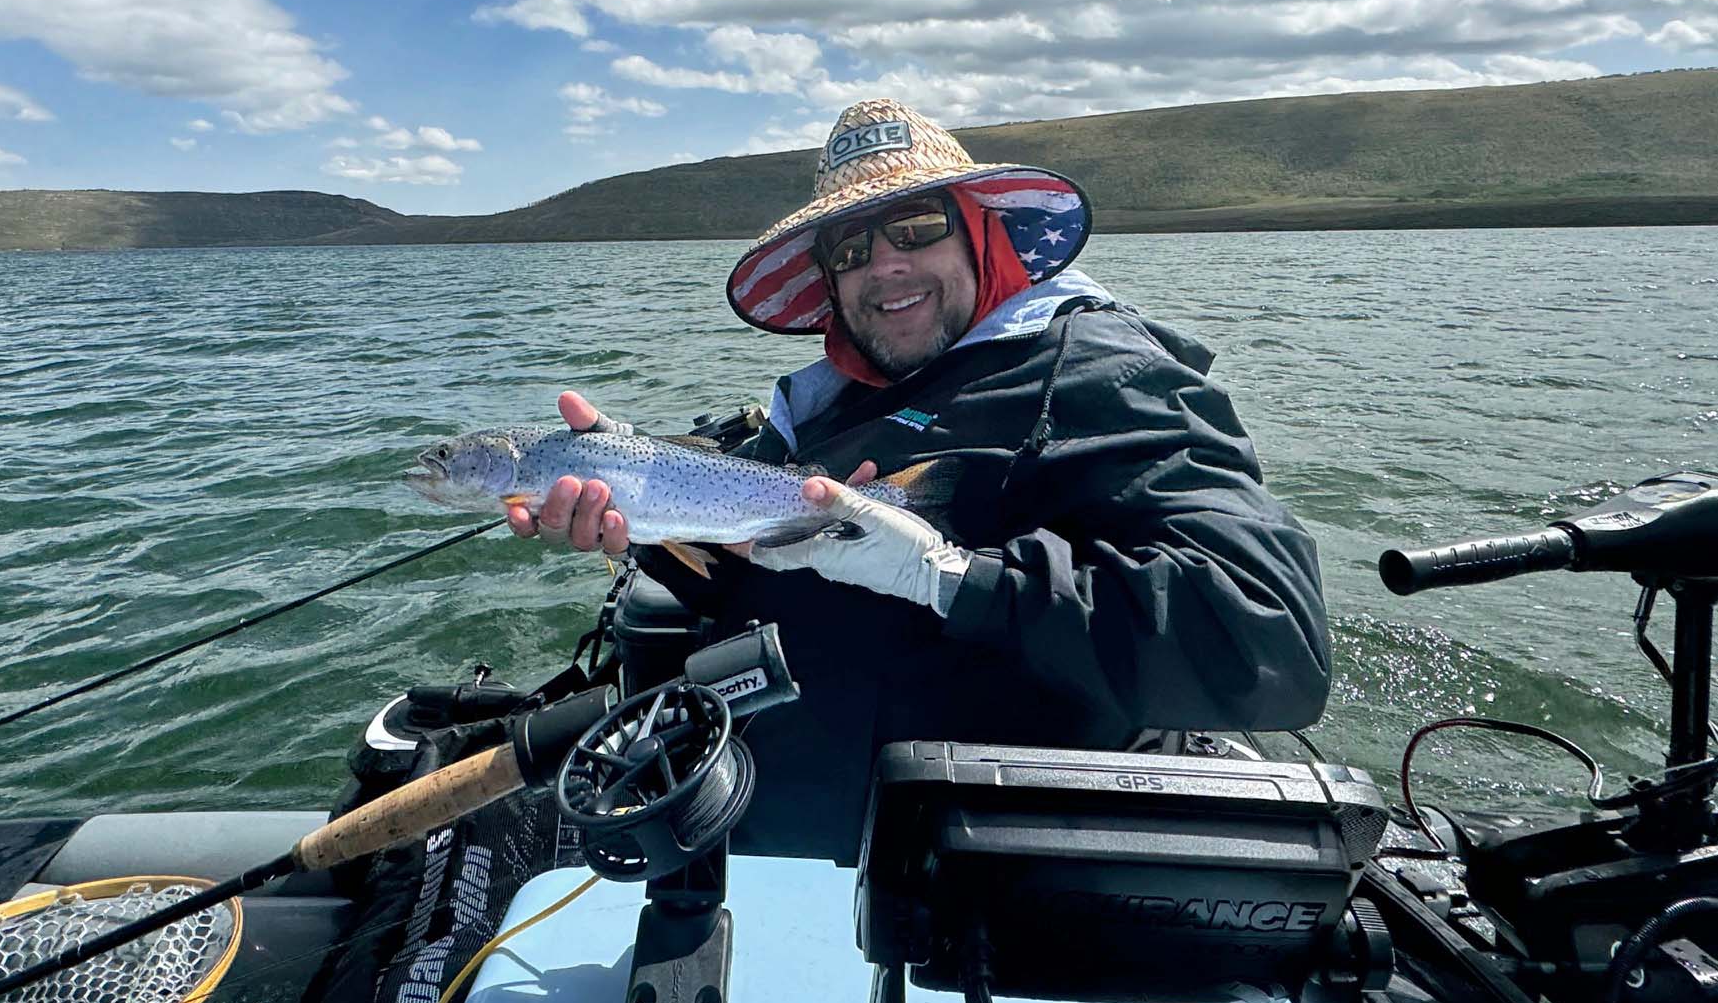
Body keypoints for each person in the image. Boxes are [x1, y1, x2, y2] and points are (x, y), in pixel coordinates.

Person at [504, 99, 1330, 861]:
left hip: (987, 874)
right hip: (770, 846)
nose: (885, 267)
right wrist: (638, 515)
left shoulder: (1106, 377)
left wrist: (948, 578)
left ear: (981, 233)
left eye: (915, 228)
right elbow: (745, 577)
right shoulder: (820, 409)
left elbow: (1271, 643)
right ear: (830, 281)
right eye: (852, 250)